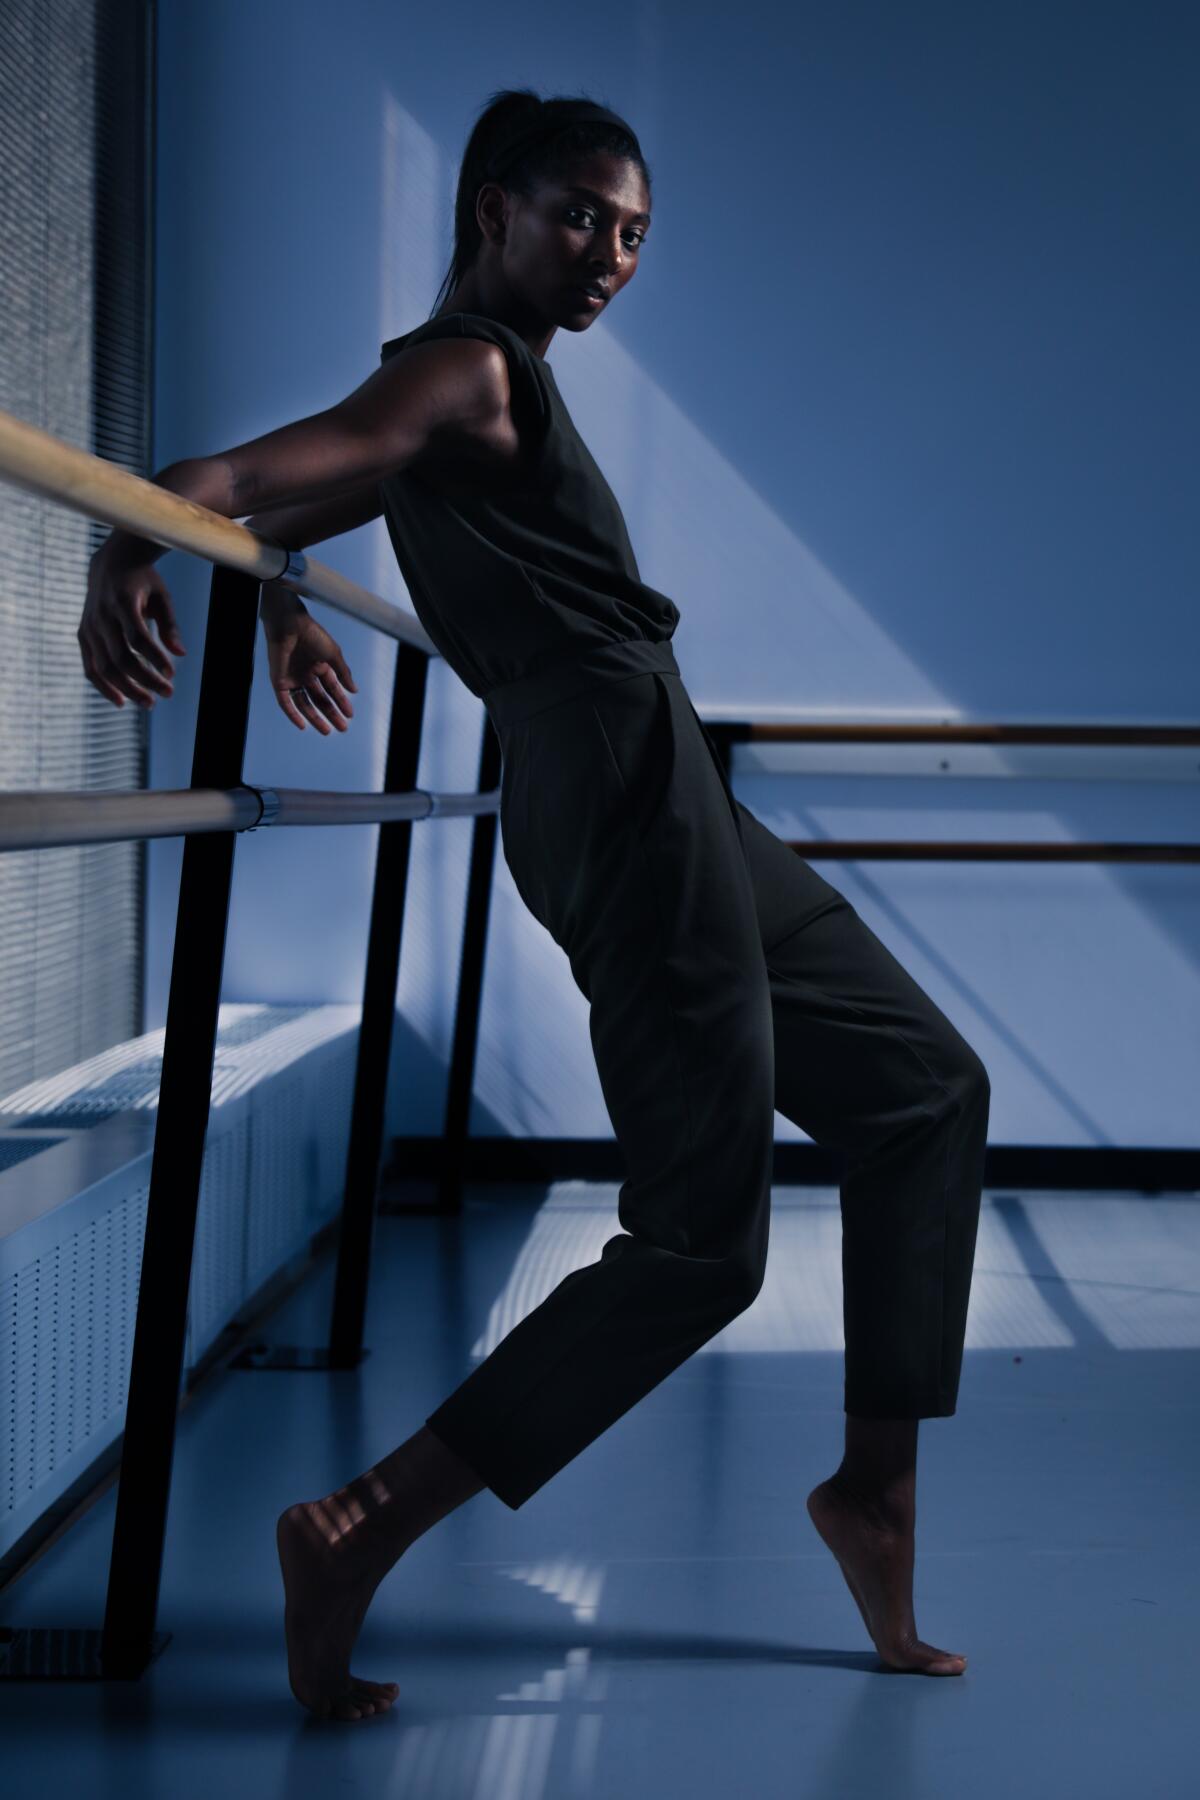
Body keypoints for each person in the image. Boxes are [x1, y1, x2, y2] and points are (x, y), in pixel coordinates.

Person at [80, 88, 990, 1724]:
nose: (612, 254)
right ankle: (358, 1523)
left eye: (635, 231)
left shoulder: (464, 382)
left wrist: (282, 597)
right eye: (582, 214)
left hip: (661, 780)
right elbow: (223, 473)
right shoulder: (467, 367)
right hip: (624, 789)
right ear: (493, 206)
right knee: (699, 1242)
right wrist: (123, 554)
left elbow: (307, 500)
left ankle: (873, 1490)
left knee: (924, 1090)